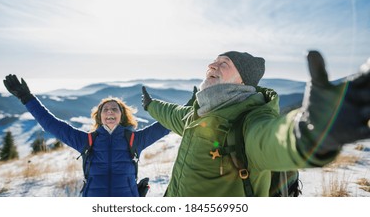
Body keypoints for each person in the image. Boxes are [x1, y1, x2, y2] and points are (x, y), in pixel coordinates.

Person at [141, 50, 370, 197]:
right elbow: (171, 113)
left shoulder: (249, 119)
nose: (212, 65)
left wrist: (310, 133)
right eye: (214, 60)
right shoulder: (197, 114)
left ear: (243, 80)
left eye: (224, 63)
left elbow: (270, 138)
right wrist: (151, 105)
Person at [3, 74, 170, 197]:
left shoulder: (135, 140)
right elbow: (51, 124)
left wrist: (192, 108)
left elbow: (167, 124)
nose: (110, 111)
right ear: (99, 117)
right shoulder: (86, 141)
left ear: (122, 116)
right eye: (105, 109)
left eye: (114, 109)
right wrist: (27, 98)